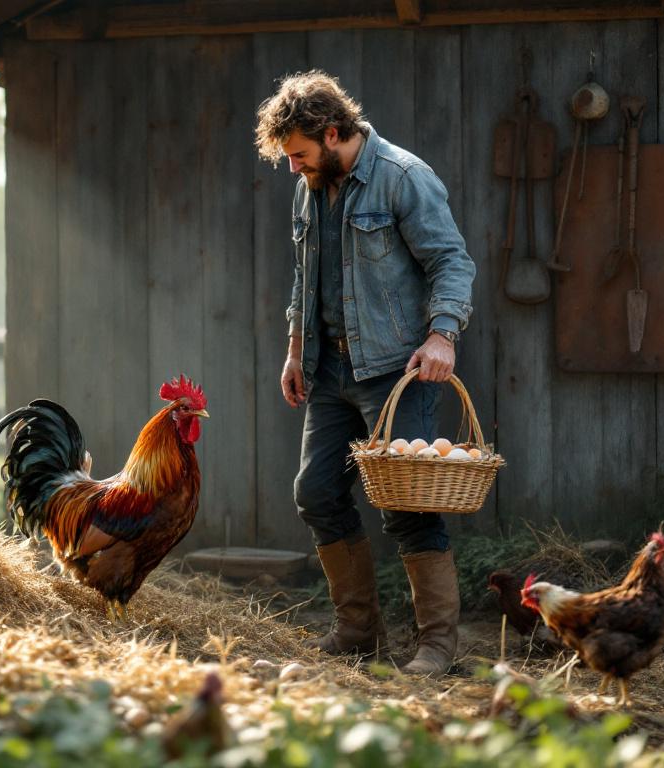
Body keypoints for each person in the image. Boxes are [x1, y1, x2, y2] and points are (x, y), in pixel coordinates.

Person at [254, 70, 476, 675]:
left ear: (332, 133)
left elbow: (451, 261)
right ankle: (358, 631)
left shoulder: (404, 177)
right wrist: (296, 349)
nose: (295, 168)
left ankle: (436, 644)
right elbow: (305, 276)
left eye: (299, 155)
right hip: (328, 371)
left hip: (393, 371)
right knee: (316, 493)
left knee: (407, 505)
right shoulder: (310, 186)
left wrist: (442, 335)